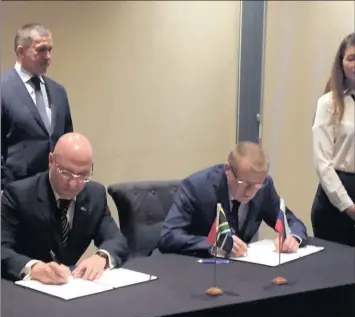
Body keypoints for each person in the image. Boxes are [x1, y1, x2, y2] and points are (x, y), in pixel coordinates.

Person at [1, 132, 128, 284]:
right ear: (50, 161)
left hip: (70, 288)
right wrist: (33, 268)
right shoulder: (19, 195)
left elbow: (116, 239)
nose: (74, 183)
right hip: (25, 290)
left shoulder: (95, 195)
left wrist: (101, 257)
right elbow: (2, 249)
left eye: (83, 175)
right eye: (66, 173)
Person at [158, 141, 307, 257]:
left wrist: (293, 237)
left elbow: (291, 221)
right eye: (245, 184)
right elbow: (168, 237)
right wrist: (214, 243)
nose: (250, 192)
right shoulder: (197, 187)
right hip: (196, 268)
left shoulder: (264, 188)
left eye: (257, 185)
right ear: (227, 170)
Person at [1, 23, 73, 190]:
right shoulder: (3, 89)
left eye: (50, 50)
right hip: (15, 191)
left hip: (55, 190)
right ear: (20, 52)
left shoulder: (58, 92)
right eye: (41, 50)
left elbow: (66, 138)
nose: (48, 56)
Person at [311, 32, 355, 247]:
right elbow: (323, 163)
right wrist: (348, 206)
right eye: (351, 58)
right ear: (341, 62)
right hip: (337, 198)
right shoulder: (329, 103)